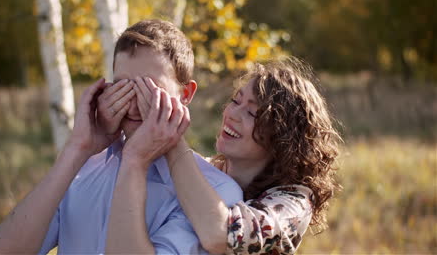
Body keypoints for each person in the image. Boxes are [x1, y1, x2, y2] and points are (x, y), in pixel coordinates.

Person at [0, 19, 242, 254]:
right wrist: (77, 149)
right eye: (123, 87)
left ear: (185, 94)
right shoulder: (85, 166)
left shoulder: (217, 193)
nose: (132, 104)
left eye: (149, 89)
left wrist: (135, 161)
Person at [113, 57, 341, 254]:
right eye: (235, 100)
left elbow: (219, 234)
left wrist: (172, 139)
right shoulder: (202, 170)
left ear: (284, 136)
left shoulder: (292, 204)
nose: (232, 114)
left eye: (252, 112)